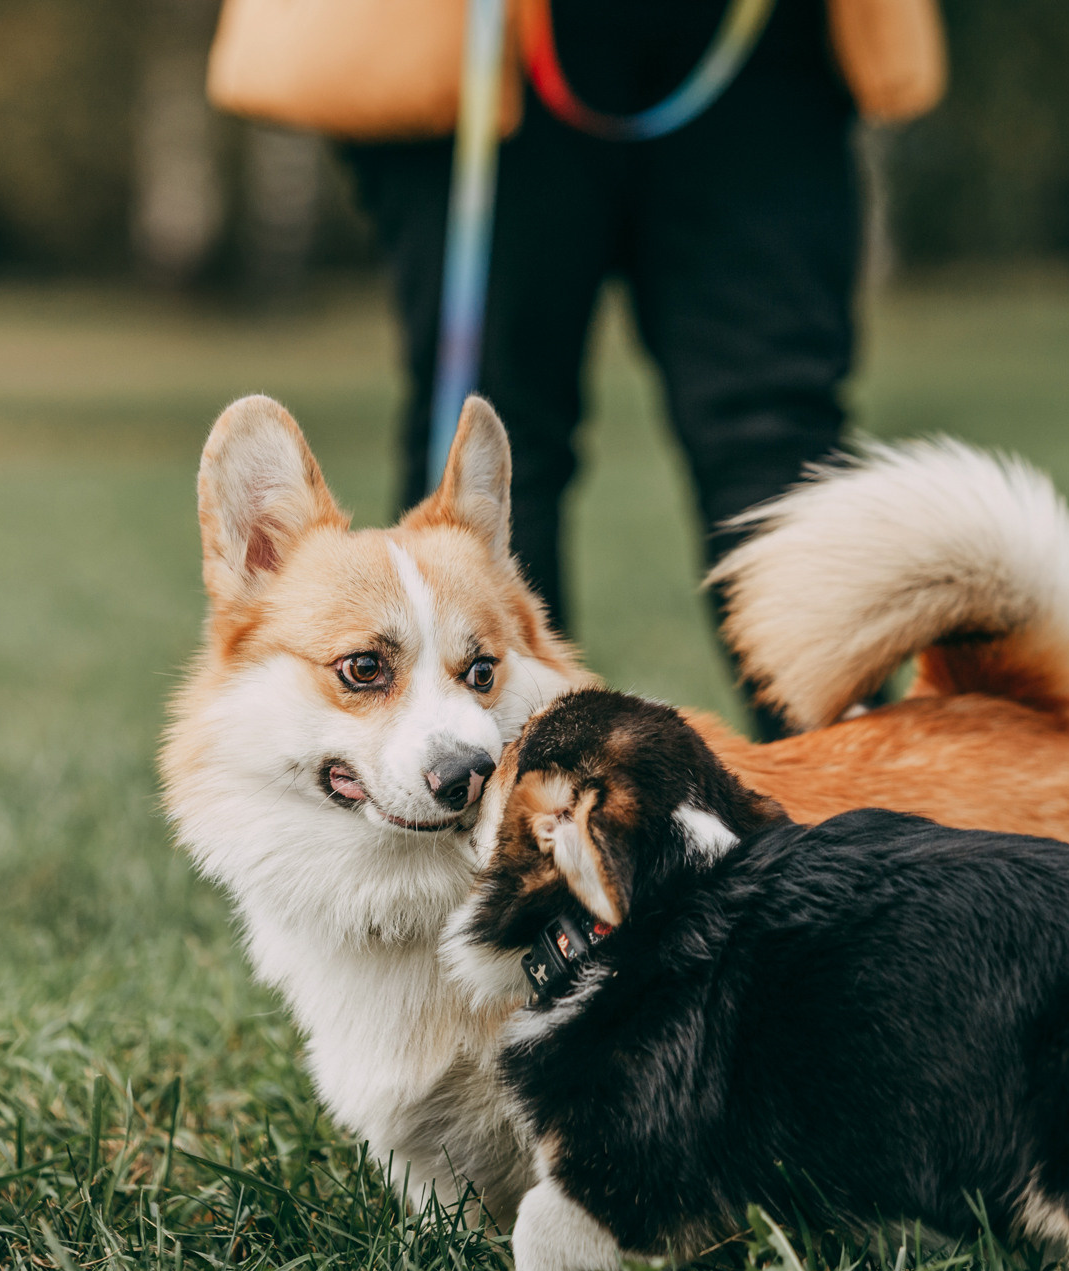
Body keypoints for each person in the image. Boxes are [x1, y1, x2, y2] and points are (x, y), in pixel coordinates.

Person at [343, 0, 861, 739]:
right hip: (477, 34)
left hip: (757, 42)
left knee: (777, 430)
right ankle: (489, 805)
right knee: (486, 444)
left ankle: (854, 800)